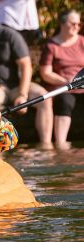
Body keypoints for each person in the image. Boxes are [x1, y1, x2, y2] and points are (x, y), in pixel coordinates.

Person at [0, 3, 53, 147]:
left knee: (44, 98)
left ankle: (46, 146)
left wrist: (22, 94)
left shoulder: (10, 35)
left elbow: (26, 65)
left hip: (15, 86)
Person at [39, 9, 84, 149]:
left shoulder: (82, 42)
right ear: (62, 24)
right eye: (73, 23)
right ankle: (61, 144)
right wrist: (66, 81)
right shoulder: (51, 46)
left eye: (79, 24)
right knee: (65, 101)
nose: (77, 27)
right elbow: (46, 73)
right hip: (63, 88)